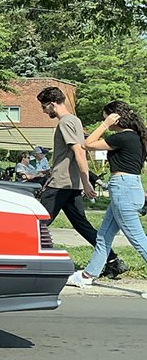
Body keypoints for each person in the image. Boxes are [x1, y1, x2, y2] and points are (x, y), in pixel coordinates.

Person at [37, 86, 127, 279]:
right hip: (71, 184)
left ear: (53, 104)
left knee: (38, 223)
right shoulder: (75, 120)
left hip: (61, 184)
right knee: (82, 225)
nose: (44, 112)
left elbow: (79, 151)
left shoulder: (65, 123)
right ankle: (113, 261)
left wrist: (87, 182)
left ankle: (32, 262)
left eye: (44, 107)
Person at [67, 101, 147, 287]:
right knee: (103, 236)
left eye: (106, 117)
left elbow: (87, 144)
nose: (104, 121)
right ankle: (87, 275)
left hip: (123, 190)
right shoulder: (137, 138)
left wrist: (104, 125)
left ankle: (88, 275)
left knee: (138, 240)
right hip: (128, 189)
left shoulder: (124, 137)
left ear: (115, 118)